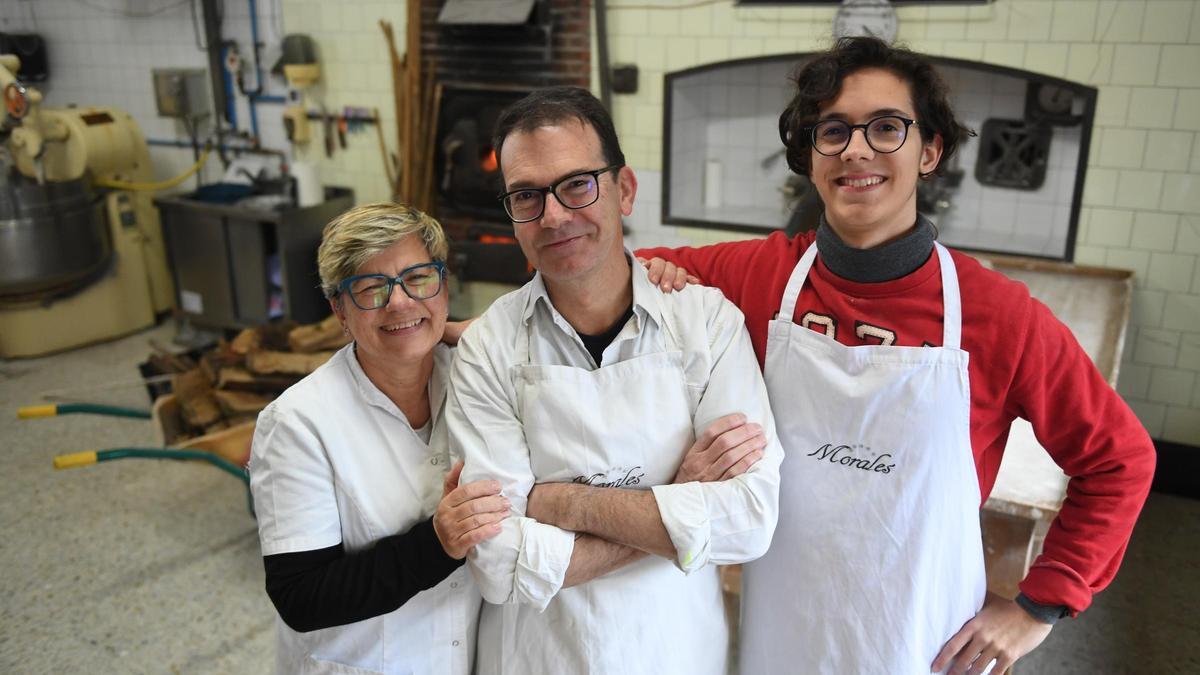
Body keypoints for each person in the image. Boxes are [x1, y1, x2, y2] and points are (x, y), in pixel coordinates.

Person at [640, 37, 1156, 675]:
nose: (856, 148)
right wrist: (652, 274)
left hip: (924, 643)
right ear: (810, 155)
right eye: (833, 130)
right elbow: (603, 281)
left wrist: (1039, 607)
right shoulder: (758, 277)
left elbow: (1119, 460)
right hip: (783, 632)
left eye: (886, 127)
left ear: (930, 151)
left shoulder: (998, 314)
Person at [446, 86, 782, 675]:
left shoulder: (706, 323)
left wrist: (560, 502)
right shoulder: (488, 347)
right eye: (527, 196)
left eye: (577, 184)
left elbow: (749, 520)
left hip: (673, 650)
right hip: (537, 657)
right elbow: (500, 566)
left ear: (623, 190)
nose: (553, 216)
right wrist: (678, 493)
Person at [248, 203, 510, 674]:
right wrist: (437, 543)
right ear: (339, 311)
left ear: (443, 286)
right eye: (371, 288)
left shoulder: (476, 379)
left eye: (418, 278)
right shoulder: (297, 423)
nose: (401, 302)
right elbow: (301, 597)